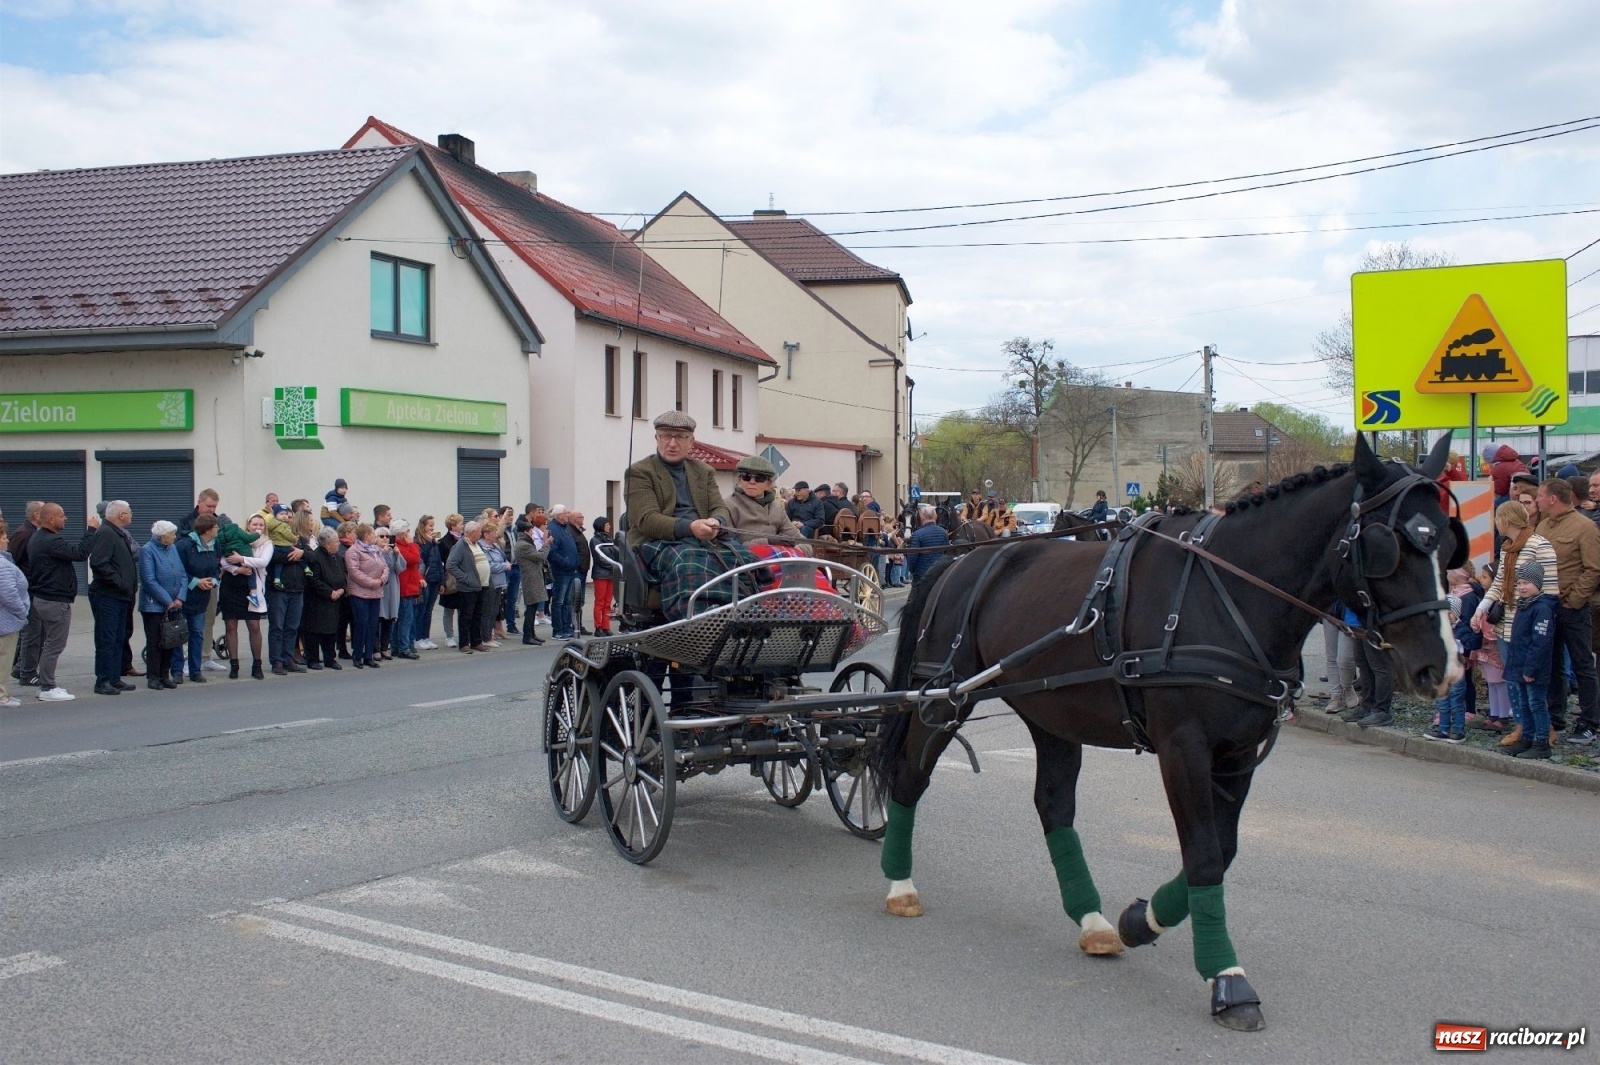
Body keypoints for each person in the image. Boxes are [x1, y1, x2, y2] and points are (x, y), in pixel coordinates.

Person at [624, 410, 757, 619]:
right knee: (689, 560)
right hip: (659, 542)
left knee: (748, 558)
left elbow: (720, 508)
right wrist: (691, 528)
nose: (672, 443)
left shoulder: (703, 471)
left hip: (703, 540)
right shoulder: (640, 472)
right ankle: (698, 621)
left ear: (691, 441)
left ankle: (749, 615)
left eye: (680, 437)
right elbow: (646, 520)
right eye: (666, 436)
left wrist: (716, 521)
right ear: (656, 438)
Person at [1473, 500, 1559, 745]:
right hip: (1506, 623)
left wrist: (1539, 623)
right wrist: (1481, 609)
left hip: (1528, 625)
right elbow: (1499, 584)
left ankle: (1542, 731)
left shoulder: (1539, 545)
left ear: (1505, 520)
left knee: (1530, 682)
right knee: (1513, 680)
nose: (1495, 522)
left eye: (1497, 518)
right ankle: (1523, 727)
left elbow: (1550, 591)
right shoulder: (1508, 548)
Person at [1532, 478, 1600, 746]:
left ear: (1552, 499)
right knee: (1553, 663)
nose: (1536, 500)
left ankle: (1589, 722)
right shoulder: (1543, 525)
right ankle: (1555, 716)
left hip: (1573, 608)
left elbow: (1594, 568)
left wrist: (1574, 599)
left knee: (1583, 665)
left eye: (1539, 495)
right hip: (1546, 606)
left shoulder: (1585, 527)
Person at [1503, 559, 1559, 760]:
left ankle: (1542, 742)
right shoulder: (1524, 606)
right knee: (1524, 704)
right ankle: (1526, 738)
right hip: (1520, 665)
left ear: (1537, 584)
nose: (1522, 587)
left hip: (1533, 669)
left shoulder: (1542, 609)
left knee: (1536, 704)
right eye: (1519, 583)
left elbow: (1540, 643)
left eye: (1526, 583)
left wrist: (1530, 669)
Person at [87, 500, 139, 697]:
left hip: (121, 596)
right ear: (120, 515)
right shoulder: (107, 533)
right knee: (106, 638)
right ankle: (103, 680)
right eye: (129, 511)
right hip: (108, 595)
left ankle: (114, 676)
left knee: (118, 637)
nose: (131, 514)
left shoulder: (118, 533)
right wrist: (119, 582)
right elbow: (99, 562)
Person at [218, 513, 270, 679]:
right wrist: (237, 569)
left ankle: (257, 664)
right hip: (231, 585)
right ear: (248, 526)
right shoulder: (235, 537)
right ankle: (234, 665)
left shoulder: (266, 544)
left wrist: (242, 559)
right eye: (254, 524)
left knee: (254, 626)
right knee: (231, 626)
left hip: (252, 588)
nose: (258, 528)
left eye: (261, 525)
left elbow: (262, 562)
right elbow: (223, 560)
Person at [135, 520, 186, 690]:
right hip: (153, 606)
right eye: (172, 534)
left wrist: (180, 597)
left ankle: (165, 674)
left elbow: (182, 574)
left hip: (174, 603)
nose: (175, 537)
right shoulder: (147, 550)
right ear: (163, 537)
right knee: (156, 641)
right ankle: (153, 676)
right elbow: (149, 580)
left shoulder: (172, 548)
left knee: (170, 640)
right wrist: (167, 601)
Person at [175, 513, 220, 684]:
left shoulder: (215, 545)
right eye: (216, 527)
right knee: (179, 634)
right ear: (207, 530)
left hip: (202, 597)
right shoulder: (185, 545)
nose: (218, 529)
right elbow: (179, 570)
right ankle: (177, 670)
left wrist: (213, 581)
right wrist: (196, 582)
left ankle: (195, 670)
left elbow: (217, 567)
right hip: (184, 596)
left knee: (197, 633)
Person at [267, 512, 313, 675]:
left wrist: (302, 554)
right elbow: (272, 557)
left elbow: (312, 556)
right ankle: (277, 661)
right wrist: (293, 556)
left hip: (297, 588)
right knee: (277, 627)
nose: (288, 520)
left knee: (292, 627)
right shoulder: (272, 539)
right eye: (285, 517)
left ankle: (288, 658)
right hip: (278, 590)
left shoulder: (300, 540)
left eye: (290, 517)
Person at [727, 456, 803, 544]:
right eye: (746, 476)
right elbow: (728, 547)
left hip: (777, 556)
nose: (752, 481)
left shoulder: (776, 508)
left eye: (759, 478)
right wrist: (767, 542)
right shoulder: (728, 506)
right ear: (740, 480)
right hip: (745, 557)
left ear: (769, 484)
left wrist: (800, 551)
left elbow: (800, 540)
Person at [302, 527, 349, 669]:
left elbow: (345, 575)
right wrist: (330, 592)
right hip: (317, 600)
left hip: (335, 599)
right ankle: (313, 659)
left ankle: (330, 658)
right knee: (314, 631)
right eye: (336, 542)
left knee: (331, 631)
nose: (339, 544)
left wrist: (342, 589)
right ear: (327, 544)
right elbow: (313, 580)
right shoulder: (314, 557)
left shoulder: (338, 558)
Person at [345, 523, 389, 669]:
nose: (375, 537)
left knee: (372, 625)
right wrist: (372, 582)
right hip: (359, 593)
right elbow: (354, 572)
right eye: (373, 534)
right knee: (361, 624)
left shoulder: (376, 550)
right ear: (366, 535)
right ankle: (358, 655)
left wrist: (381, 580)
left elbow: (385, 567)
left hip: (375, 593)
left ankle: (369, 655)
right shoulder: (354, 551)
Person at [8, 501, 41, 687]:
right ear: (37, 515)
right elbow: (13, 562)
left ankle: (21, 667)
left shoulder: (34, 533)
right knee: (31, 632)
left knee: (37, 632)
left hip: (35, 589)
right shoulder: (23, 534)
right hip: (28, 591)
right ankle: (26, 672)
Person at [446, 520, 490, 653]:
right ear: (472, 533)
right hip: (468, 587)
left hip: (481, 585)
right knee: (466, 616)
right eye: (479, 532)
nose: (481, 534)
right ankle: (464, 643)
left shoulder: (477, 544)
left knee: (478, 615)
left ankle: (476, 641)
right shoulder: (461, 545)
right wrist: (465, 578)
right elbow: (451, 565)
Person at [0, 520, 28, 708]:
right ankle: (2, 695)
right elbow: (8, 593)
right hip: (6, 619)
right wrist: (21, 612)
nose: (7, 540)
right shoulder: (2, 565)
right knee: (4, 657)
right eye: (3, 537)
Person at [514, 514, 551, 644]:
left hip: (534, 577)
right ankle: (527, 636)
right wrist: (546, 544)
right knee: (531, 608)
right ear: (525, 531)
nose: (532, 533)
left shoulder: (525, 543)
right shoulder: (523, 545)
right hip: (530, 578)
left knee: (534, 606)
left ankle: (532, 634)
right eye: (530, 531)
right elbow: (540, 557)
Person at [547, 506, 580, 640]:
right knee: (559, 601)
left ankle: (567, 628)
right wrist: (566, 562)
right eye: (565, 513)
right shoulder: (553, 529)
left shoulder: (563, 528)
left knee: (566, 602)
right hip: (561, 571)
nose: (567, 515)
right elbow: (552, 552)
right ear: (558, 515)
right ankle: (558, 630)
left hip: (569, 570)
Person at [392, 519, 421, 660]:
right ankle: (403, 647)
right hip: (405, 587)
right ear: (403, 534)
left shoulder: (403, 546)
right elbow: (415, 559)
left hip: (408, 586)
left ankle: (397, 647)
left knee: (402, 618)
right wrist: (412, 544)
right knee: (405, 619)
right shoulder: (402, 547)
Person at [414, 514, 444, 651]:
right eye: (430, 525)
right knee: (422, 610)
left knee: (429, 611)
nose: (432, 528)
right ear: (423, 526)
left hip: (435, 579)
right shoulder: (419, 542)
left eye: (433, 525)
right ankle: (418, 638)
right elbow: (422, 559)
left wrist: (442, 581)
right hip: (425, 580)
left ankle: (426, 637)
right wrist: (428, 542)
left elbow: (439, 562)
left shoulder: (434, 543)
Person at [481, 520, 511, 646]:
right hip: (490, 582)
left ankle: (490, 635)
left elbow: (502, 558)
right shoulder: (482, 547)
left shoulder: (496, 546)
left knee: (494, 611)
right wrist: (504, 566)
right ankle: (486, 638)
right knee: (487, 611)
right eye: (493, 533)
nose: (496, 535)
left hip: (499, 582)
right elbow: (489, 565)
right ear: (486, 534)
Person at [437, 514, 465, 647]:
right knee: (449, 609)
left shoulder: (465, 539)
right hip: (450, 579)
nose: (463, 526)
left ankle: (463, 635)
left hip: (463, 579)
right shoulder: (444, 542)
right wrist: (442, 581)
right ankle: (449, 636)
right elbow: (441, 563)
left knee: (463, 609)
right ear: (453, 526)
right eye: (460, 524)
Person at [590, 515, 619, 638]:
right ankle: (598, 627)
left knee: (607, 602)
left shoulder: (609, 539)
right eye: (607, 525)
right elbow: (600, 558)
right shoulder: (595, 540)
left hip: (610, 574)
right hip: (601, 574)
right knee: (600, 602)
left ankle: (606, 626)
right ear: (601, 526)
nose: (609, 526)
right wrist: (614, 566)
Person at [905, 504, 950, 583]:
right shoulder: (944, 533)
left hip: (922, 574)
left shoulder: (917, 534)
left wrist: (912, 571)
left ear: (922, 518)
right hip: (939, 573)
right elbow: (946, 553)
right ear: (936, 517)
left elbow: (912, 556)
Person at [498, 506, 522, 636]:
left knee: (513, 597)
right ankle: (499, 626)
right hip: (505, 566)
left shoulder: (514, 529)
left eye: (512, 515)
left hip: (515, 566)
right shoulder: (500, 530)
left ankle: (511, 625)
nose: (510, 518)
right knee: (502, 598)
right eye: (508, 515)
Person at [569, 509, 593, 636]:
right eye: (580, 516)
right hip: (577, 571)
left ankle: (579, 624)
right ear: (574, 519)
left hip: (583, 570)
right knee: (575, 599)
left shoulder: (579, 532)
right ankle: (574, 625)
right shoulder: (571, 531)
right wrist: (577, 565)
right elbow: (573, 551)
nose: (583, 518)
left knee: (580, 600)